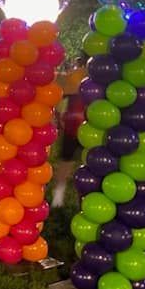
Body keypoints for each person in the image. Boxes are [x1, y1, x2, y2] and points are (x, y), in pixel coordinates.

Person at [52, 56, 87, 208]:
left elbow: (56, 95)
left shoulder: (76, 76)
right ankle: (81, 200)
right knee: (92, 167)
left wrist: (58, 117)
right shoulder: (105, 79)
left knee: (66, 162)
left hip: (74, 126)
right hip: (88, 129)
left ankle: (58, 197)